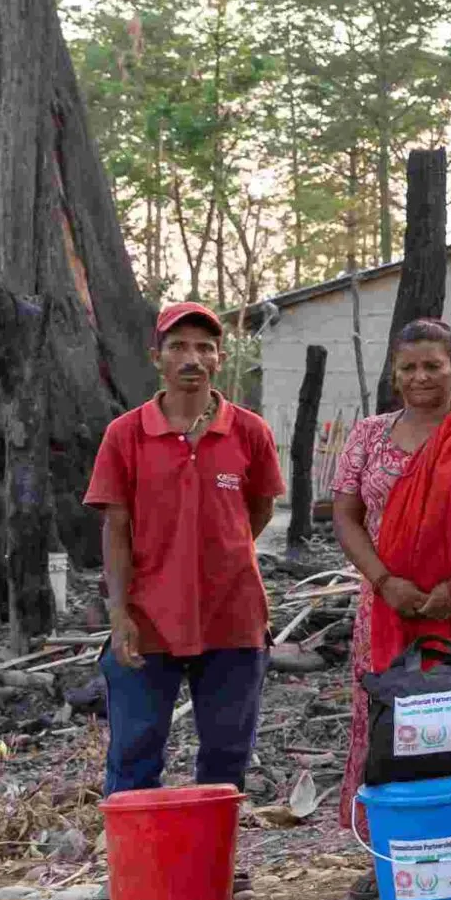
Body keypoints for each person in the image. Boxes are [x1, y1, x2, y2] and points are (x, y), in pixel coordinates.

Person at [331, 320, 451, 870]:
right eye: (409, 367)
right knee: (388, 718)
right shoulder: (369, 435)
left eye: (433, 365)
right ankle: (388, 853)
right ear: (395, 374)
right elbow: (345, 515)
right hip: (385, 604)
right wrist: (383, 580)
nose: (421, 376)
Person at [85, 301, 285, 797]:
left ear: (219, 358)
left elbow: (256, 512)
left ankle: (211, 870)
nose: (191, 358)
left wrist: (219, 556)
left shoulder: (250, 432)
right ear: (158, 357)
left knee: (225, 758)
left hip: (233, 618)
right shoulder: (126, 435)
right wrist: (119, 612)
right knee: (134, 754)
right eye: (178, 347)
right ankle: (141, 873)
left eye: (204, 347)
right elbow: (115, 527)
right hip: (147, 619)